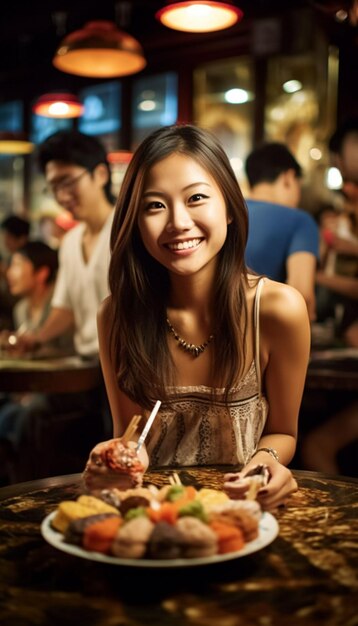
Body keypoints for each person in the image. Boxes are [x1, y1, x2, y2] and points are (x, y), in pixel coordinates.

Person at [83, 124, 311, 510]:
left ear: (230, 209)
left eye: (197, 198)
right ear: (135, 224)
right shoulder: (119, 315)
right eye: (154, 205)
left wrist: (266, 462)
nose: (178, 222)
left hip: (245, 514)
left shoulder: (278, 310)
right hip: (154, 517)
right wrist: (114, 461)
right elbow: (130, 436)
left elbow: (283, 432)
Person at [13, 130, 115, 358]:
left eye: (67, 181)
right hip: (87, 366)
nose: (61, 195)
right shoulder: (69, 242)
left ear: (100, 174)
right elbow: (65, 309)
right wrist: (35, 338)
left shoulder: (127, 230)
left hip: (131, 367)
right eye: (54, 186)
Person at [0, 241, 74, 484]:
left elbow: (67, 351)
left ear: (41, 273)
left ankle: (24, 483)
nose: (10, 272)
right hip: (29, 388)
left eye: (18, 265)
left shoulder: (59, 305)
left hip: (66, 387)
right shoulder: (21, 308)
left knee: (27, 414)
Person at [244, 143, 319, 321]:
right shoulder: (299, 221)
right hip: (262, 337)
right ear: (288, 177)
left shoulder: (226, 212)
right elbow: (303, 297)